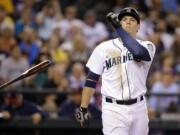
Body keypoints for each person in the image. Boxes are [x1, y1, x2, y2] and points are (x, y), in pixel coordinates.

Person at [76, 7, 156, 135]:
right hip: (113, 109)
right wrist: (83, 107)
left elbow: (138, 52)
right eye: (123, 20)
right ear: (119, 23)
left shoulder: (148, 46)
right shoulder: (103, 48)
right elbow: (91, 79)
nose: (128, 22)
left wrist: (119, 28)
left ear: (138, 26)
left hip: (139, 107)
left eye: (132, 20)